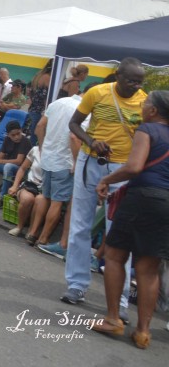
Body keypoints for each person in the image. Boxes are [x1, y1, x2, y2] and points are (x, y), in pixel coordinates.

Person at [61, 58, 147, 308]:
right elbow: (74, 124)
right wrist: (90, 141)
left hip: (123, 170)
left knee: (119, 232)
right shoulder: (97, 93)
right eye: (131, 80)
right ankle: (76, 285)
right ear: (117, 76)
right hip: (92, 164)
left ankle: (119, 301)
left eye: (140, 82)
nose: (135, 86)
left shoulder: (145, 101)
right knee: (80, 225)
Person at [92, 91, 169, 350]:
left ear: (154, 111)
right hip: (166, 205)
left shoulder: (147, 129)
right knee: (148, 269)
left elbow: (135, 166)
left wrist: (106, 180)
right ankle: (144, 332)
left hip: (143, 198)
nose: (143, 105)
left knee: (114, 256)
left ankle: (113, 319)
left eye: (146, 103)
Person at [28, 92, 83, 252]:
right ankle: (43, 238)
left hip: (48, 158)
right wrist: (76, 161)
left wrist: (42, 147)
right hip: (65, 161)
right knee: (57, 202)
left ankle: (32, 232)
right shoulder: (84, 110)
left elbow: (39, 126)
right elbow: (74, 137)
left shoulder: (58, 102)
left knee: (45, 196)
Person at [6, 143, 43, 237]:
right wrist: (15, 185)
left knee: (40, 200)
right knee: (27, 199)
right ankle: (19, 227)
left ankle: (32, 231)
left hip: (44, 189)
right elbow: (22, 168)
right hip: (30, 184)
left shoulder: (58, 155)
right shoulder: (35, 150)